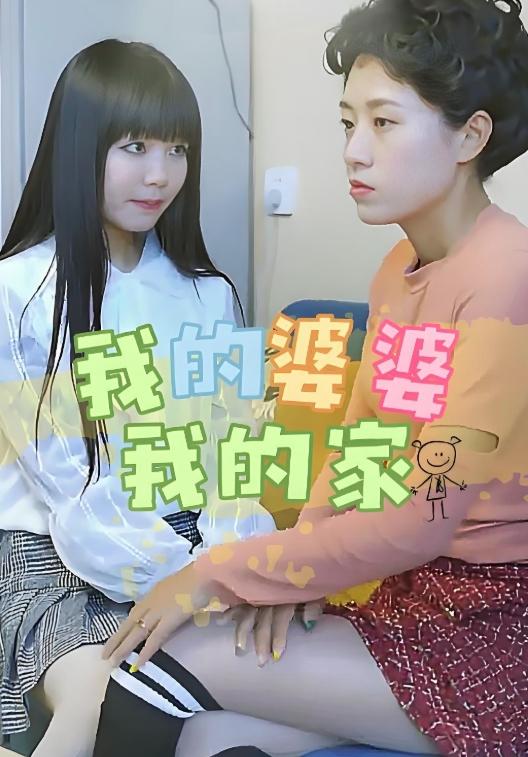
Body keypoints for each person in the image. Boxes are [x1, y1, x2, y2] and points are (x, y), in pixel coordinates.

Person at [94, 1, 528, 755]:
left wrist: (225, 572)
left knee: (153, 663)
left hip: (492, 629)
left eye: (383, 123)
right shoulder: (400, 270)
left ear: (471, 136)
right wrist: (291, 571)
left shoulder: (506, 279)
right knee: (208, 737)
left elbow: (421, 517)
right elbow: (364, 454)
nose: (354, 151)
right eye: (347, 123)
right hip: (413, 595)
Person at [0, 38, 275, 757]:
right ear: (79, 149)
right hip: (54, 551)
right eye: (135, 147)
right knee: (107, 695)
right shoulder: (18, 290)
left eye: (178, 150)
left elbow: (238, 461)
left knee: (259, 678)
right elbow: (71, 483)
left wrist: (221, 572)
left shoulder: (208, 293)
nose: (161, 174)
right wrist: (184, 581)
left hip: (195, 544)